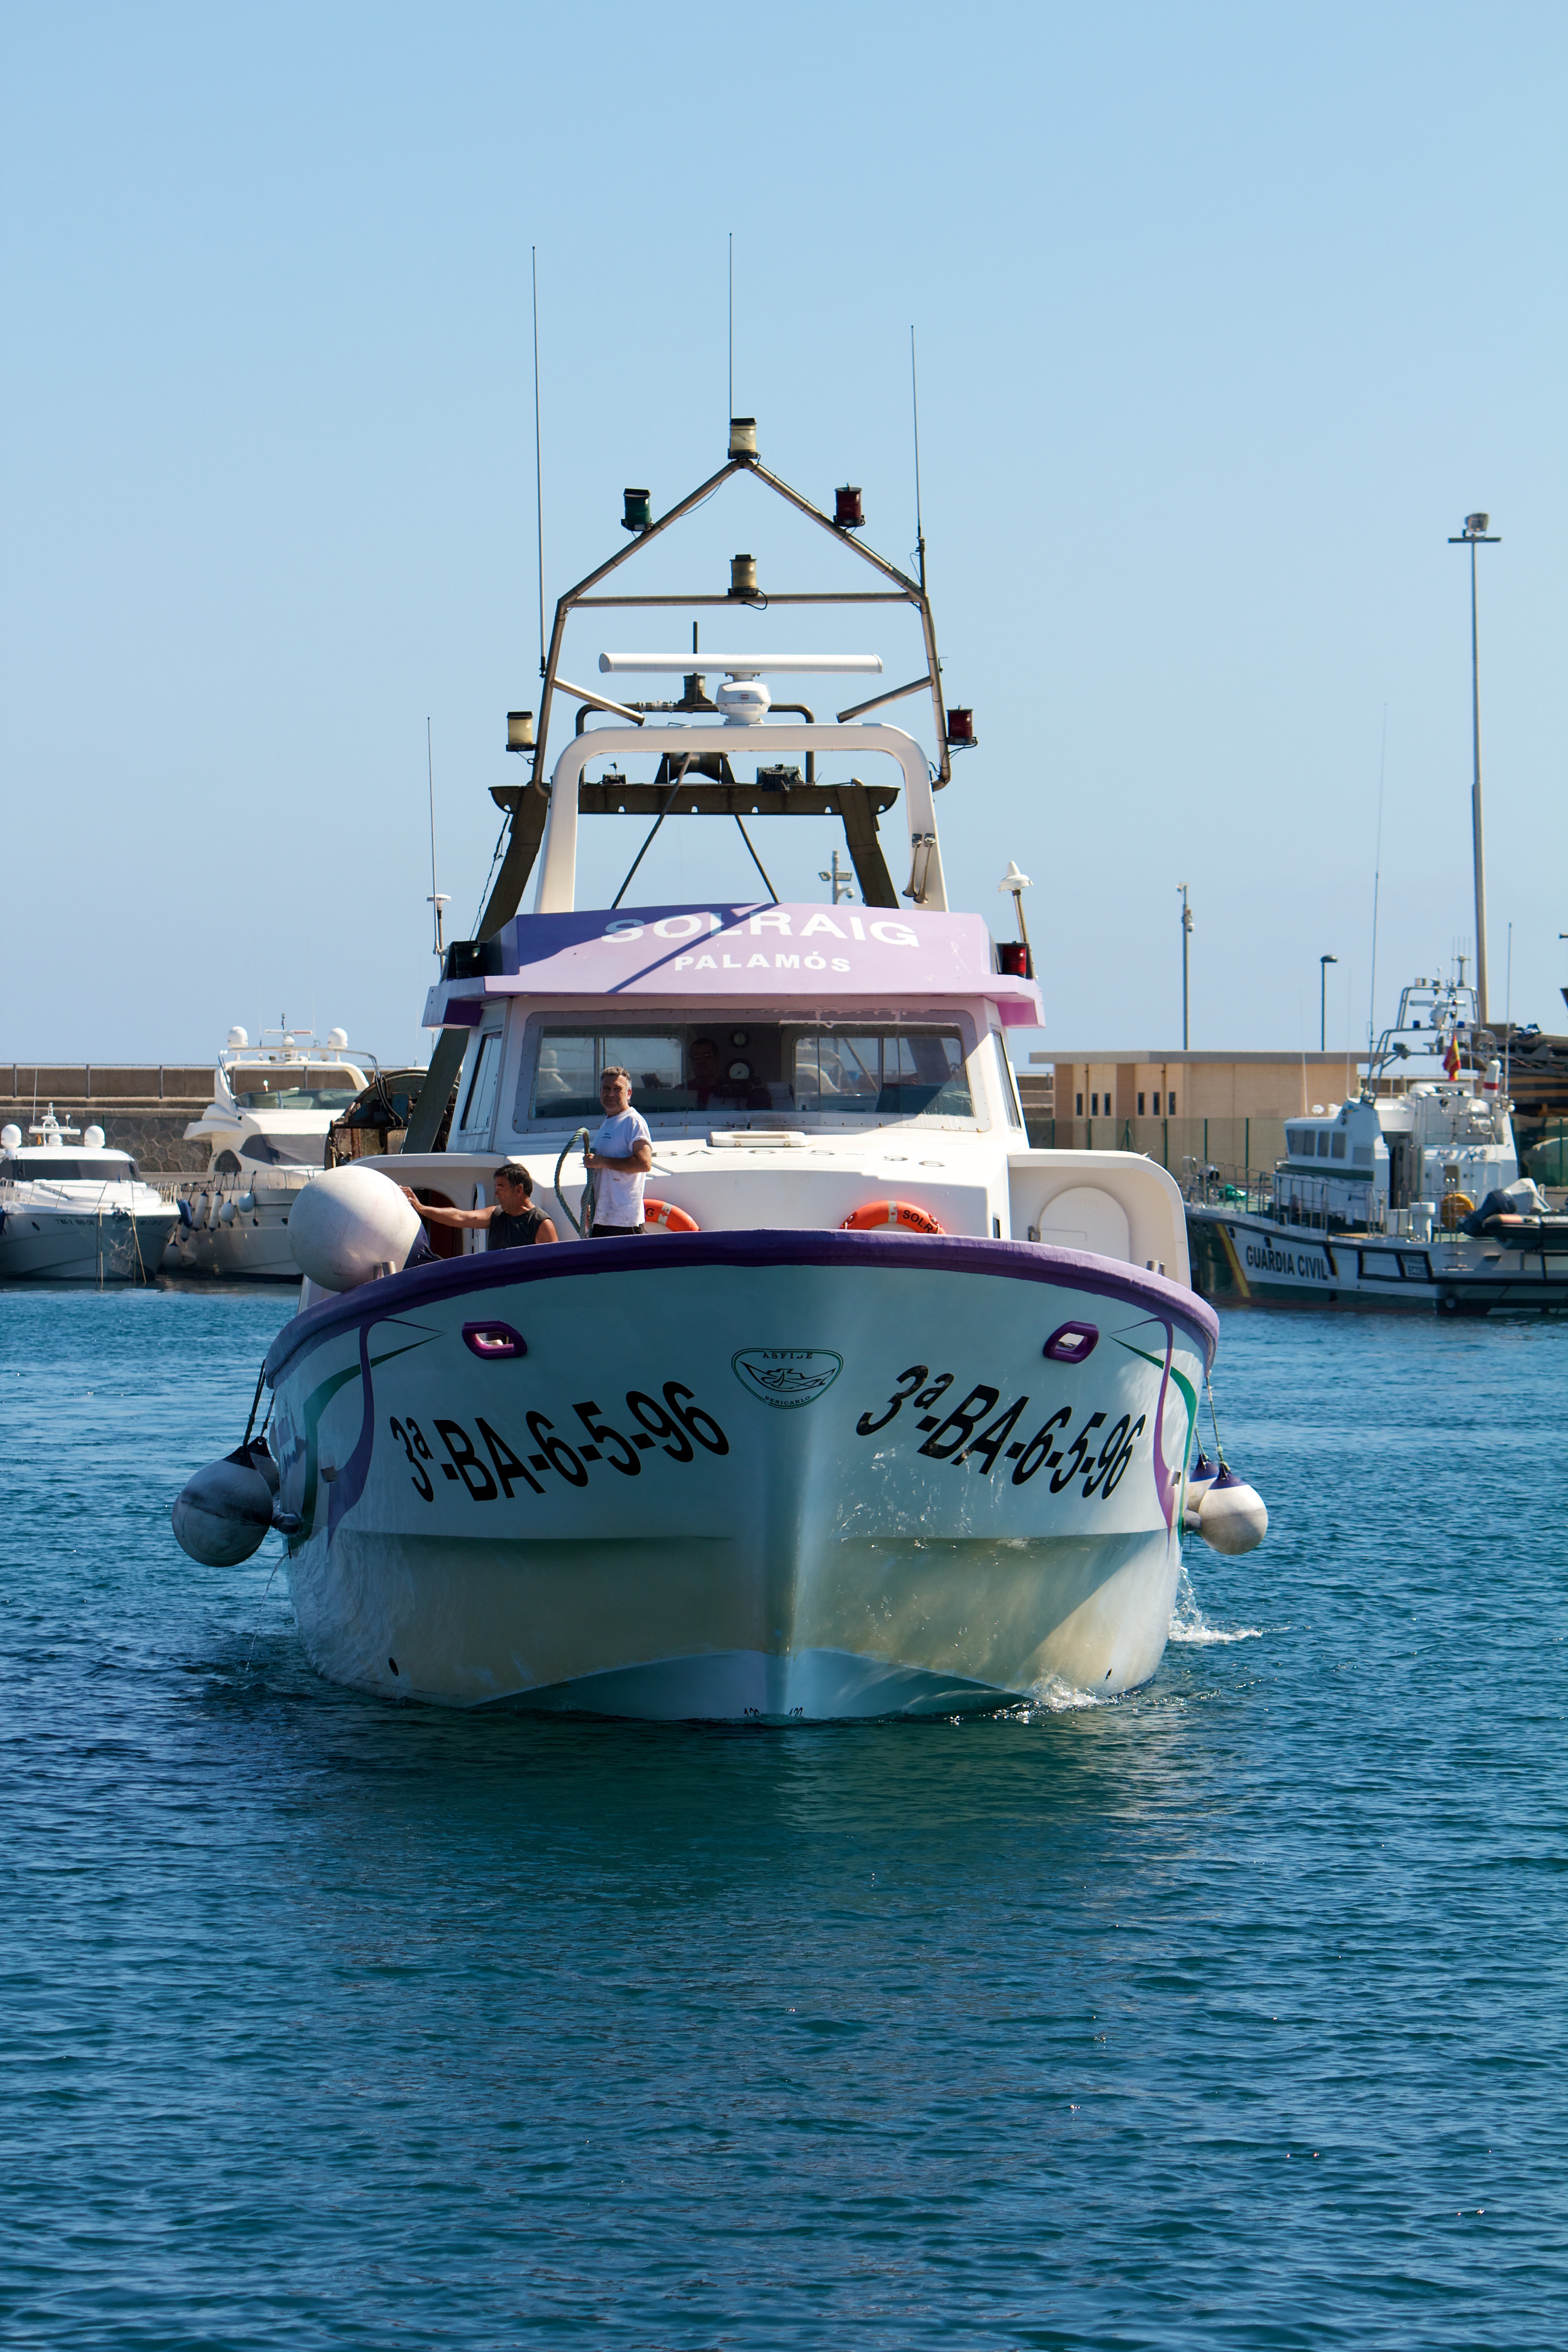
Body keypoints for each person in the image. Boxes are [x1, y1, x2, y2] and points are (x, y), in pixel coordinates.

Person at [401, 1160, 558, 1249]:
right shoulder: (496, 1215)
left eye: (501, 1188)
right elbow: (460, 1217)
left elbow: (552, 1266)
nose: (496, 1194)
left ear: (518, 1190)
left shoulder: (540, 1223)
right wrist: (422, 1208)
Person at [585, 1066, 652, 1236]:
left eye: (617, 1089)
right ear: (600, 1092)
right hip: (602, 1218)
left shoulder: (633, 1122)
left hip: (624, 1222)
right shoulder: (608, 1122)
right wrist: (587, 1201)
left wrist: (602, 1161)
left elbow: (644, 1163)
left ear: (629, 1093)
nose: (611, 1094)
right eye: (606, 1089)